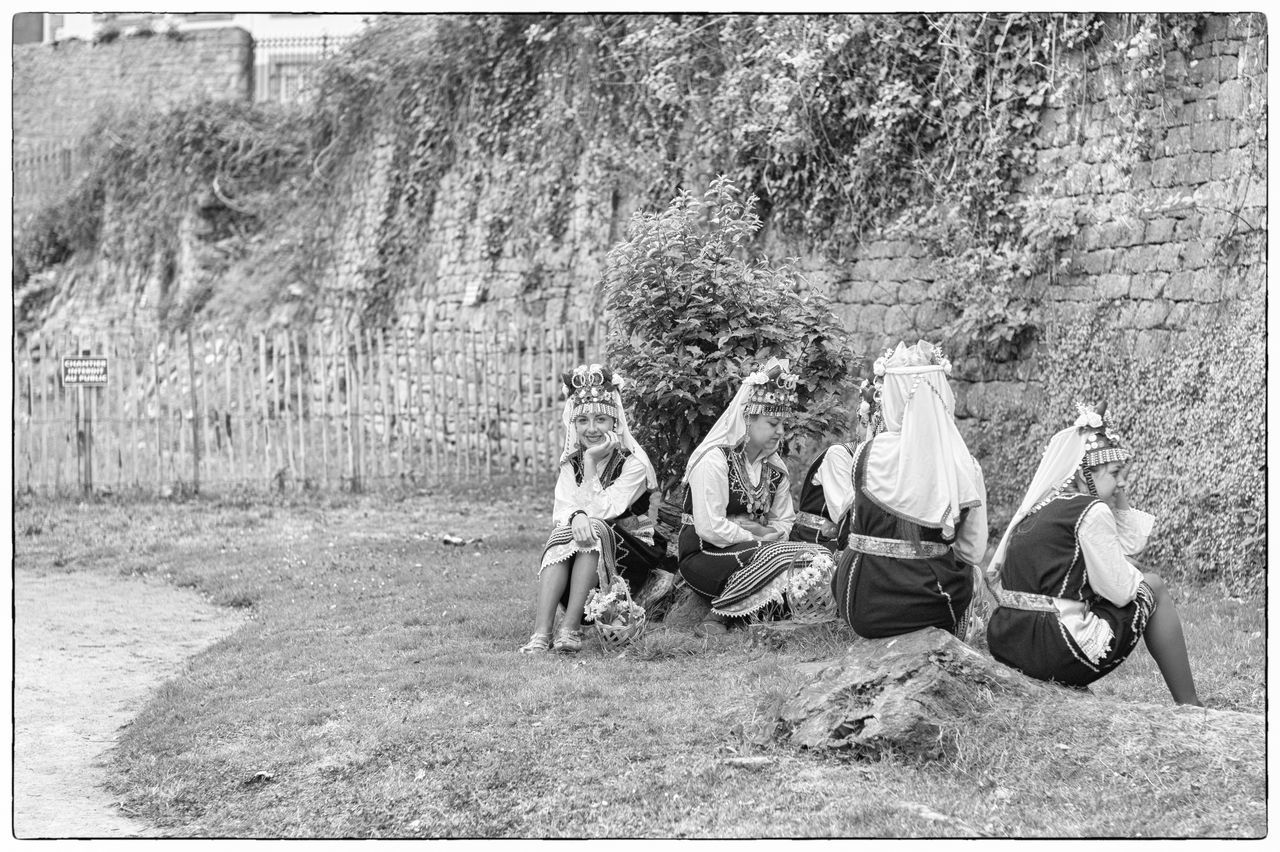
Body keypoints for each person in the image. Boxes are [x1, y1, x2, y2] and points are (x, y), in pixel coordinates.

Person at [984, 404, 1202, 705]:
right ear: (1085, 475)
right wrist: (1129, 568)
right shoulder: (1090, 511)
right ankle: (1191, 705)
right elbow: (1123, 591)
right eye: (1115, 474)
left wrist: (1114, 487)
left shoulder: (1040, 508)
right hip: (1055, 647)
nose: (1122, 483)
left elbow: (1124, 548)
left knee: (1130, 576)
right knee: (1155, 586)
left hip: (1009, 640)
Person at [831, 340, 988, 638]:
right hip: (927, 603)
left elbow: (853, 528)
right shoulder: (964, 464)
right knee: (970, 573)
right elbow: (972, 551)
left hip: (858, 603)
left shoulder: (866, 453)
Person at [677, 357, 835, 635]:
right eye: (773, 423)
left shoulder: (775, 469)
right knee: (775, 556)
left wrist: (767, 534)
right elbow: (710, 528)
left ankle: (757, 610)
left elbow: (785, 522)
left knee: (817, 554)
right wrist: (759, 536)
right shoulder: (715, 460)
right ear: (747, 419)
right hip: (705, 554)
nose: (781, 432)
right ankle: (719, 615)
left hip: (757, 551)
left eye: (783, 424)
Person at [519, 364, 666, 654]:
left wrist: (590, 463)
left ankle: (570, 629)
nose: (591, 428)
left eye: (601, 419)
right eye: (583, 420)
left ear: (615, 422)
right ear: (573, 423)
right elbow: (562, 509)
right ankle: (541, 633)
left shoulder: (633, 462)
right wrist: (575, 517)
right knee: (563, 533)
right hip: (584, 542)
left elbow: (605, 509)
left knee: (593, 529)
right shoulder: (569, 463)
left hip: (633, 549)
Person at [788, 380, 879, 552]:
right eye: (864, 424)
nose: (868, 433)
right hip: (814, 542)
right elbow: (844, 515)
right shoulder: (839, 455)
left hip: (848, 541)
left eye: (875, 427)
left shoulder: (878, 463)